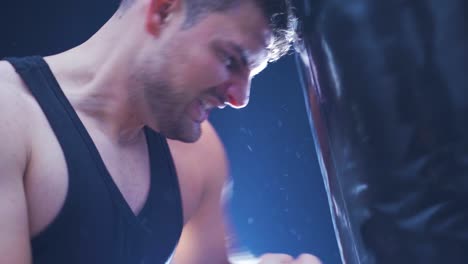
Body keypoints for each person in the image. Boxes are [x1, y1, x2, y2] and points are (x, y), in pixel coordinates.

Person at [0, 0, 321, 263]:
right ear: (163, 12)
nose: (240, 98)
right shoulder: (9, 114)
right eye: (230, 60)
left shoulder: (200, 156)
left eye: (251, 73)